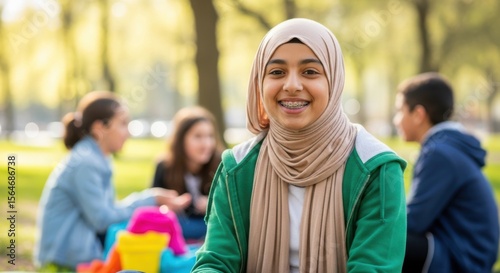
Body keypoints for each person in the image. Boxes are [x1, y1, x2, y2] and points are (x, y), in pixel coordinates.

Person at [192, 18, 407, 273]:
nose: (292, 85)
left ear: (334, 81)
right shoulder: (236, 168)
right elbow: (215, 261)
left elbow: (374, 267)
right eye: (276, 72)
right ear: (260, 82)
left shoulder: (376, 169)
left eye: (310, 72)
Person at [34, 91, 180, 271]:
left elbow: (108, 212)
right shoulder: (86, 163)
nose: (128, 133)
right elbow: (103, 219)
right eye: (123, 124)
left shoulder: (97, 158)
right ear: (99, 128)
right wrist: (152, 199)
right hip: (64, 260)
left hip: (77, 254)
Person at [393, 72, 500, 273]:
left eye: (399, 111)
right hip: (465, 253)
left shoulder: (439, 153)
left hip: (462, 261)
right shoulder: (447, 147)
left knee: (382, 238)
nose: (396, 120)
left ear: (418, 115)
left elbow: (413, 222)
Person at [151, 106, 224, 240]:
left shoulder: (222, 165)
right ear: (181, 139)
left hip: (212, 228)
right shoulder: (164, 166)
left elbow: (234, 209)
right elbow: (153, 206)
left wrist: (212, 205)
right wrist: (168, 206)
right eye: (198, 136)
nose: (206, 144)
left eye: (210, 136)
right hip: (177, 228)